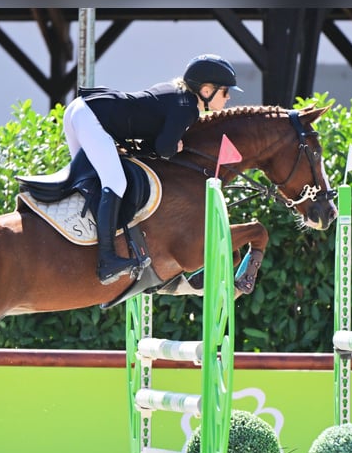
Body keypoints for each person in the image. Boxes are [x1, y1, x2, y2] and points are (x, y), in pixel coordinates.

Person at [63, 53, 243, 285]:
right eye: (225, 92)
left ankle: (81, 243)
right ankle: (107, 259)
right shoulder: (188, 107)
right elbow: (164, 147)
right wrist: (173, 148)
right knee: (115, 182)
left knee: (91, 181)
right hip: (92, 117)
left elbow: (151, 141)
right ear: (207, 90)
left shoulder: (177, 93)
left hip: (81, 110)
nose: (228, 98)